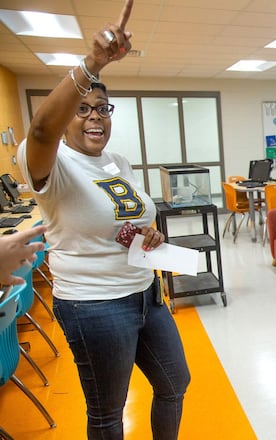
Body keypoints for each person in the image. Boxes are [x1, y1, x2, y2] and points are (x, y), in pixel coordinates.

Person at [18, 1, 190, 438]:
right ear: (68, 115)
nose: (94, 116)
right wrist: (94, 61)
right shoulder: (51, 162)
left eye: (102, 108)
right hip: (93, 306)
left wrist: (147, 233)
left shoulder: (118, 162)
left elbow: (122, 221)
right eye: (83, 108)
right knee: (108, 414)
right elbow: (40, 131)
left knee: (175, 383)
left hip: (145, 294)